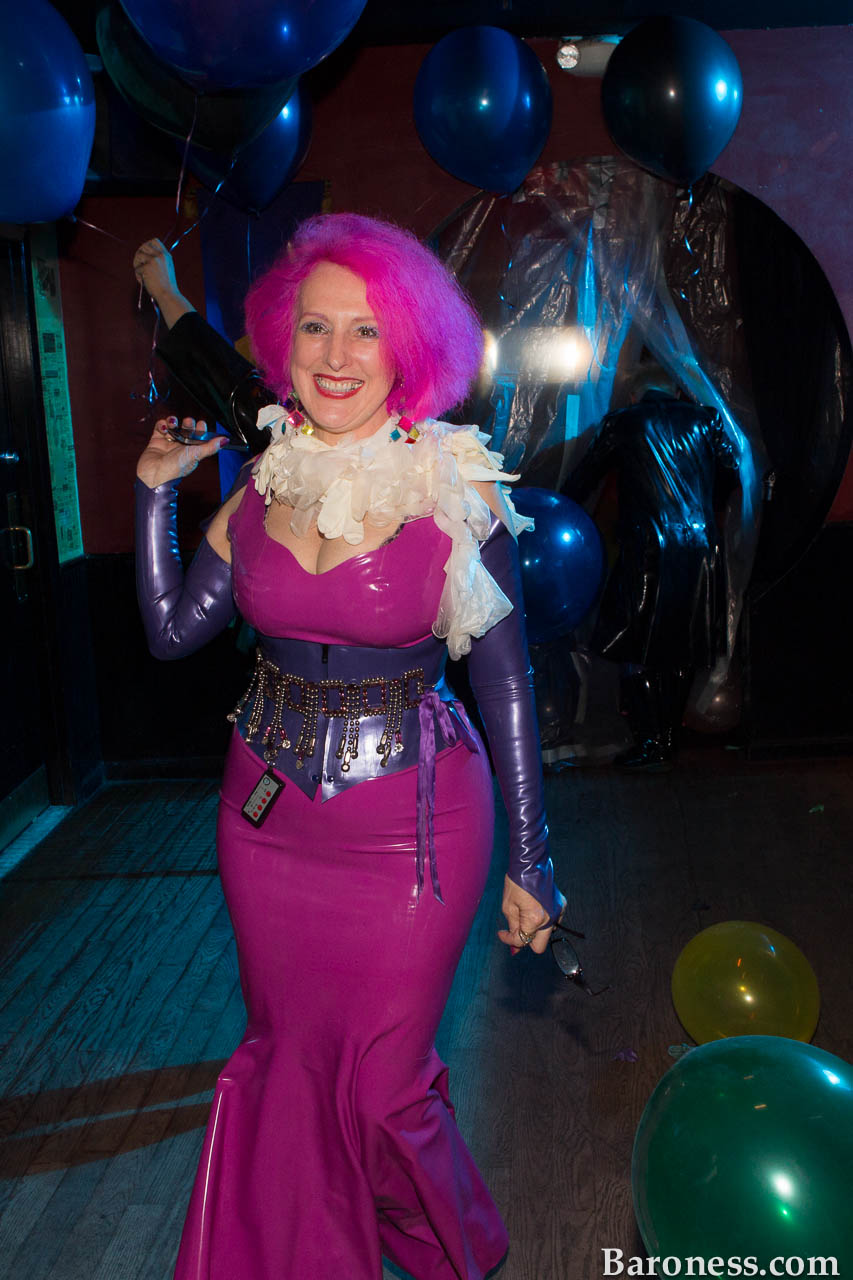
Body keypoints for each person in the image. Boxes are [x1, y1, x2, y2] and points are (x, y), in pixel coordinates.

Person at [133, 215, 566, 1280]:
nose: (336, 355)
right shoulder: (262, 481)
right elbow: (173, 631)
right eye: (316, 327)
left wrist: (532, 860)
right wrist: (153, 493)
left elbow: (505, 682)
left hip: (415, 827)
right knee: (284, 1060)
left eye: (366, 330)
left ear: (407, 348)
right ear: (284, 340)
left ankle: (458, 1252)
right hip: (264, 824)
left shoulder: (453, 489)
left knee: (382, 1087)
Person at [563, 363, 741, 770]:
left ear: (635, 394)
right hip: (699, 548)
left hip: (646, 548)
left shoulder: (624, 422)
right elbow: (731, 473)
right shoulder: (706, 420)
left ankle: (650, 740)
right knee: (682, 645)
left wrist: (553, 510)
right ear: (675, 391)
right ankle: (667, 738)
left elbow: (584, 477)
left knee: (636, 643)